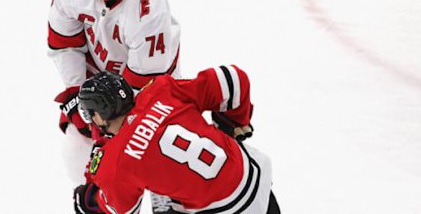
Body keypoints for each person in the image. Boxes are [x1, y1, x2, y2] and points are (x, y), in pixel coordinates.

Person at [47, 0, 181, 185]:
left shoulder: (149, 6)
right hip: (100, 79)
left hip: (151, 89)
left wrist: (107, 124)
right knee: (77, 142)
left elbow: (143, 85)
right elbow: (63, 45)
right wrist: (77, 92)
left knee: (153, 153)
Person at [73, 66, 281, 214]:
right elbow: (232, 79)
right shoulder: (162, 91)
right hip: (253, 176)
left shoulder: (116, 161)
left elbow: (120, 208)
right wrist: (232, 125)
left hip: (223, 209)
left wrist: (88, 200)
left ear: (99, 116)